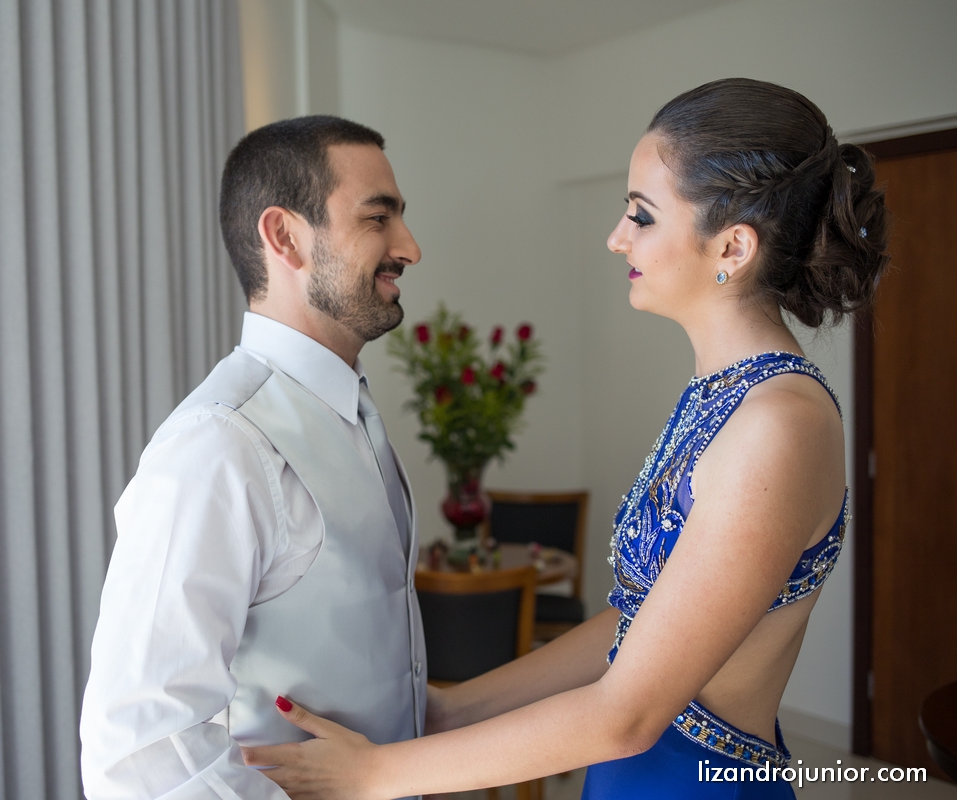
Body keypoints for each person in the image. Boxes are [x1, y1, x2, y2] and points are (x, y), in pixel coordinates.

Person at [241, 78, 889, 799]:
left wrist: (378, 774)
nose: (617, 238)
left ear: (732, 245)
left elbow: (628, 715)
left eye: (641, 216)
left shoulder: (780, 423)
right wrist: (456, 708)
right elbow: (639, 622)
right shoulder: (726, 398)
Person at [79, 115, 426, 799]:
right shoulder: (220, 444)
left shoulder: (348, 413)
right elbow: (137, 752)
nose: (410, 248)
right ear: (285, 237)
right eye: (377, 219)